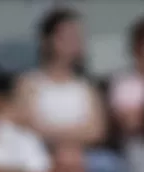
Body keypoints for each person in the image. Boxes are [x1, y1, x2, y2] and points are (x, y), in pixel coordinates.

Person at [14, 8, 107, 147]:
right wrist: (75, 133)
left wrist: (49, 131)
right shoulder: (29, 82)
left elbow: (96, 132)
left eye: (77, 36)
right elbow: (26, 125)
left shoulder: (87, 87)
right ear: (48, 39)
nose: (74, 42)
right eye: (67, 36)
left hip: (83, 156)